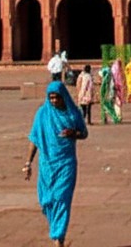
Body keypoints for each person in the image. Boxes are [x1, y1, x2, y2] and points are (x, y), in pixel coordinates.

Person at [24, 81, 88, 247]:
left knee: (62, 198)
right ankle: (57, 231)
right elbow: (35, 139)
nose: (53, 101)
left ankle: (58, 238)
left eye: (56, 98)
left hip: (66, 164)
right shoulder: (43, 114)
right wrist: (28, 162)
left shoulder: (73, 114)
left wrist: (74, 133)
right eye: (51, 98)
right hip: (47, 164)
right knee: (46, 201)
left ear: (63, 97)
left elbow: (84, 133)